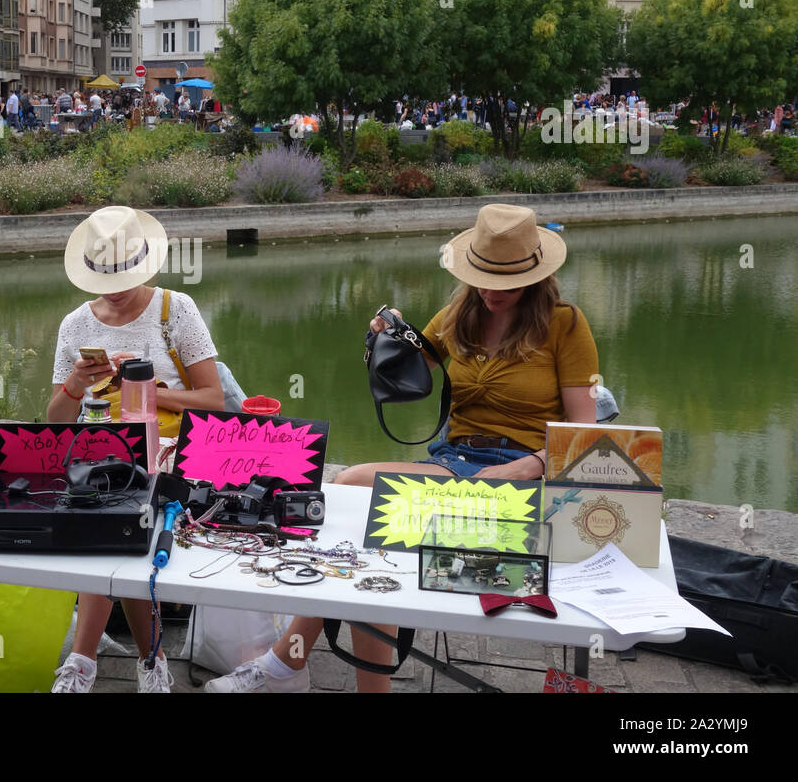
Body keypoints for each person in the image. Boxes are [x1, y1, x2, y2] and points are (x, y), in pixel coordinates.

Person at [207, 203, 600, 694]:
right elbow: (402, 379)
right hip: (454, 463)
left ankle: (286, 662)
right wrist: (386, 336)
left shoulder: (565, 324)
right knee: (350, 497)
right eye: (482, 278)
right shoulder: (461, 314)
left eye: (505, 284)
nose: (490, 292)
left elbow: (584, 434)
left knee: (367, 531)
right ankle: (288, 662)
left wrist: (530, 466)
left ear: (535, 277)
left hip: (523, 471)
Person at [49, 206, 228, 693]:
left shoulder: (175, 309)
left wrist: (143, 386)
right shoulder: (75, 325)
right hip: (94, 452)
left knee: (118, 515)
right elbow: (53, 424)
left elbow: (213, 400)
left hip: (164, 450)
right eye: (105, 278)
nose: (117, 289)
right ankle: (150, 660)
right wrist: (74, 383)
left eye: (125, 275)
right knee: (113, 510)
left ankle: (83, 661)